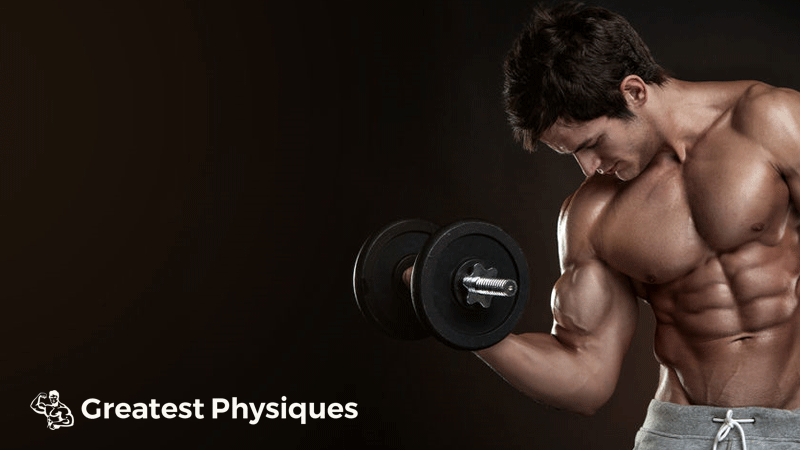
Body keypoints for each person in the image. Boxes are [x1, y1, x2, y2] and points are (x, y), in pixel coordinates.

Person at [476, 2, 800, 449]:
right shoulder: (591, 214)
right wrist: (469, 330)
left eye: (592, 144)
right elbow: (586, 376)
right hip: (676, 435)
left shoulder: (774, 123)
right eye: (571, 154)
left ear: (633, 91)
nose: (588, 168)